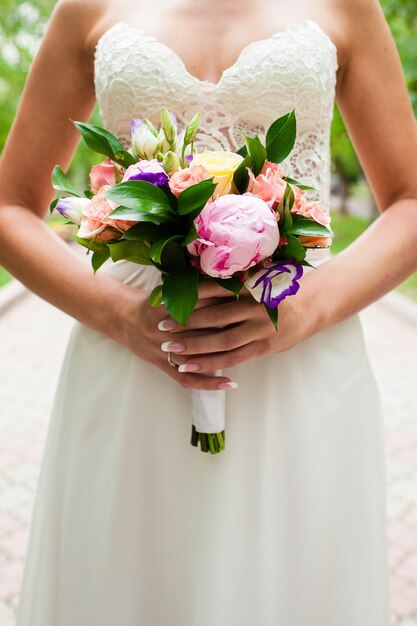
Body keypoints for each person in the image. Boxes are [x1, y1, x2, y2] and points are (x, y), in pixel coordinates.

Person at [1, 0, 416, 623]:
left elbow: (410, 200)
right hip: (133, 359)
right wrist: (118, 314)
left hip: (299, 356)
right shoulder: (83, 8)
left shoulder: (347, 6)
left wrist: (309, 306)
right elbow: (10, 205)